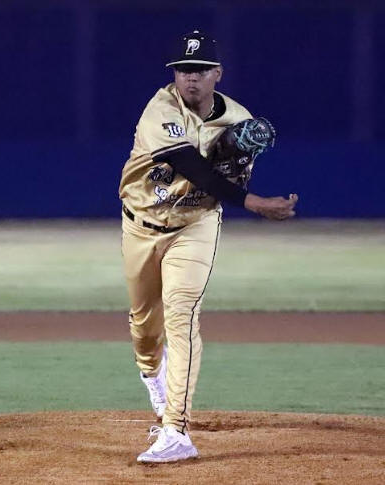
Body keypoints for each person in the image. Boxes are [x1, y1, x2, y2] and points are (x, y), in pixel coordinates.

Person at [119, 30, 298, 463]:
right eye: (183, 69)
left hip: (195, 225)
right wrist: (253, 202)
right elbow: (191, 166)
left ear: (217, 73)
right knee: (144, 327)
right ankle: (153, 378)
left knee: (182, 315)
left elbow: (227, 181)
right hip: (141, 225)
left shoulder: (237, 118)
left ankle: (176, 430)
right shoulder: (160, 109)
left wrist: (239, 166)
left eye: (199, 70)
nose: (191, 77)